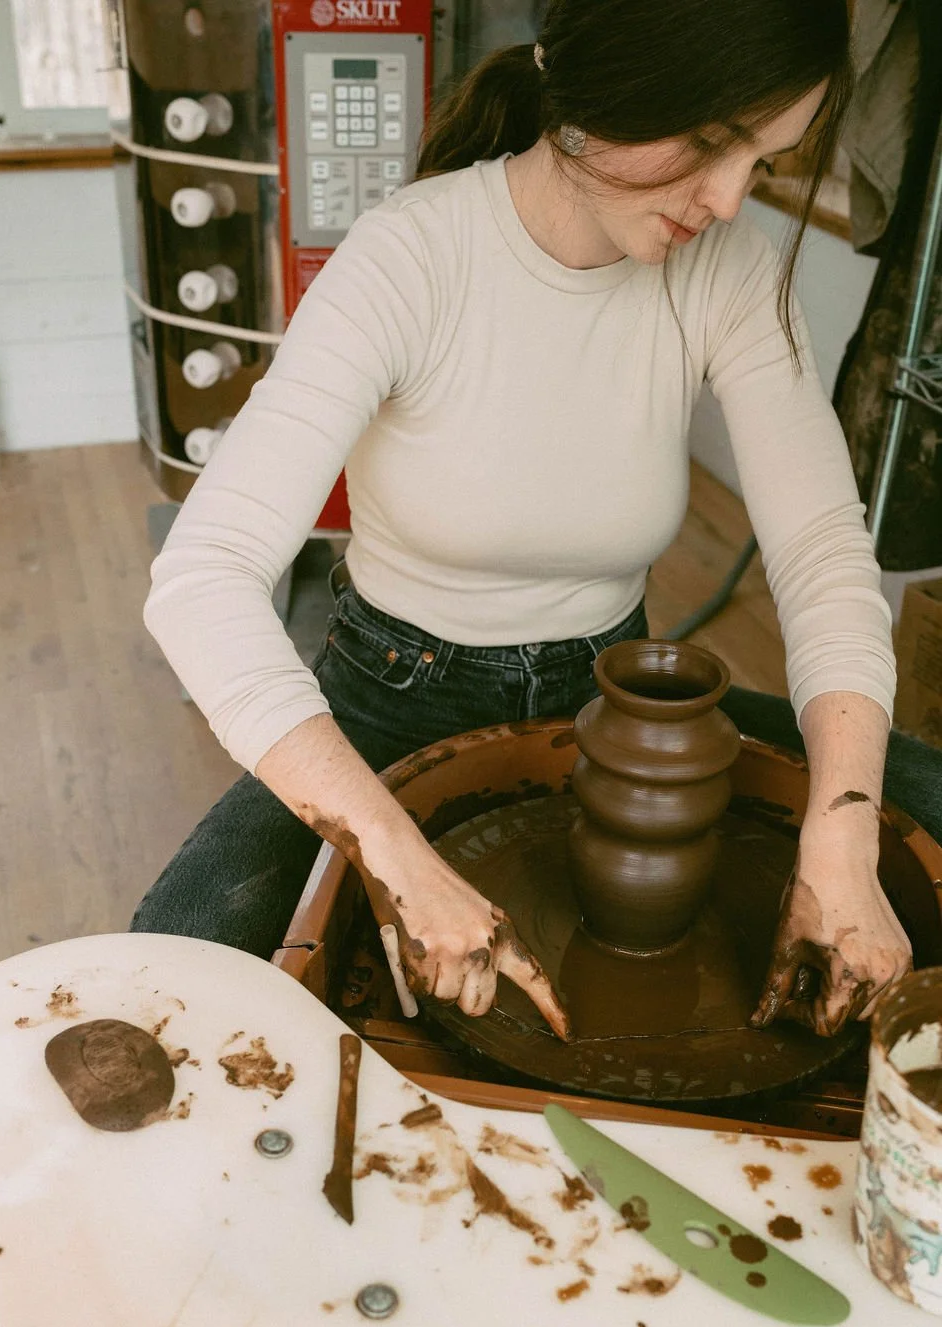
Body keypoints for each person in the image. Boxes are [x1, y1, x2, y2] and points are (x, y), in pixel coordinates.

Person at [134, 0, 939, 1042]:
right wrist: (392, 852)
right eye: (710, 142)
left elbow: (825, 555)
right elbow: (201, 579)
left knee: (917, 801)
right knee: (173, 964)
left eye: (764, 163)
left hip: (620, 703)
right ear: (597, 84)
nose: (730, 199)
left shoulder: (730, 271)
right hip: (391, 701)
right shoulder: (409, 255)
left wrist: (841, 844)